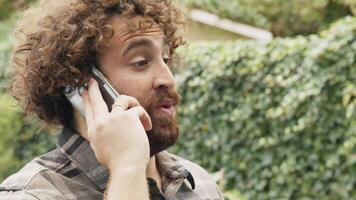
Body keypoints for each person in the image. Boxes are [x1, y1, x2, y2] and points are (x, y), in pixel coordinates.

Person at [0, 0, 223, 199]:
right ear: (77, 85)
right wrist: (127, 167)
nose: (168, 79)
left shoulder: (202, 185)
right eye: (141, 62)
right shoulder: (31, 194)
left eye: (165, 58)